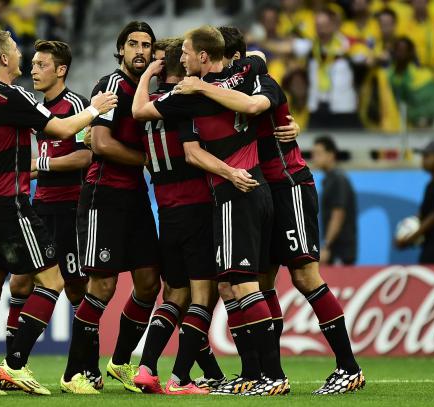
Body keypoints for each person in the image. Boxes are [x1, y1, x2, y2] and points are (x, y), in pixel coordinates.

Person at [175, 26, 365, 396]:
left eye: (232, 62)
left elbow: (259, 98)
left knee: (305, 277)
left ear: (236, 60)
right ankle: (261, 373)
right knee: (259, 284)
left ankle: (348, 367)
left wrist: (290, 123)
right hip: (260, 191)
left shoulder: (260, 82)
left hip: (288, 185)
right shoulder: (223, 90)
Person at [133, 25, 288, 396]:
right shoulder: (247, 73)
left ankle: (272, 375)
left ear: (203, 56)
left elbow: (139, 111)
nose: (184, 58)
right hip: (253, 187)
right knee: (231, 286)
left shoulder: (188, 94)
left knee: (242, 285)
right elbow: (257, 61)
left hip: (236, 192)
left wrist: (161, 77)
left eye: (187, 52)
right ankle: (254, 374)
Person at [0, 30, 116, 396]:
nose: (22, 57)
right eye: (16, 51)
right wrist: (96, 108)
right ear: (3, 59)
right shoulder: (11, 96)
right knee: (53, 281)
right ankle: (15, 364)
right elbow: (62, 128)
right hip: (8, 204)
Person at [63, 21, 161, 394]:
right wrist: (147, 159)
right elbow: (101, 144)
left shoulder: (146, 93)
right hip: (104, 195)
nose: (140, 50)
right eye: (133, 44)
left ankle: (119, 362)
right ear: (120, 49)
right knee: (102, 285)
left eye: (146, 45)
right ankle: (74, 373)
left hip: (135, 196)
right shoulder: (111, 86)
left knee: (149, 283)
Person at [0, 39, 97, 394]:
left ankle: (87, 368)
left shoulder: (77, 106)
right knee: (20, 284)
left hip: (69, 208)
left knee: (75, 289)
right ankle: (12, 366)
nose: (34, 70)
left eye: (41, 65)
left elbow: (85, 156)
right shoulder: (38, 108)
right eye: (33, 64)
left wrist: (39, 164)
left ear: (61, 70)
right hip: (39, 206)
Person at [131, 37, 222, 395]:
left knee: (175, 297)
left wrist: (146, 78)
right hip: (196, 207)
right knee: (203, 296)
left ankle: (146, 368)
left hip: (165, 212)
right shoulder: (185, 100)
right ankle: (181, 379)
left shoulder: (148, 104)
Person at [397, 139, 434, 264]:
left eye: (427, 156)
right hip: (429, 246)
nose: (423, 160)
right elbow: (423, 214)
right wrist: (405, 233)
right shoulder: (430, 185)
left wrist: (411, 238)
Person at [312, 136, 358, 265]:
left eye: (318, 154)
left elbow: (338, 214)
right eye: (313, 154)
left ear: (331, 155)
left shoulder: (338, 179)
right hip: (335, 250)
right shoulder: (328, 180)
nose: (314, 157)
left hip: (341, 252)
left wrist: (326, 245)